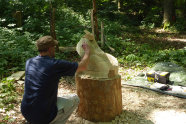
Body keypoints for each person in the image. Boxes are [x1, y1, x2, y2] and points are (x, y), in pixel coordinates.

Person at [21, 36, 90, 124]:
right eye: (54, 47)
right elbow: (82, 66)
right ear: (50, 49)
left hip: (26, 110)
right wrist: (87, 52)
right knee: (76, 99)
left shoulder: (30, 62)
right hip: (43, 115)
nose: (55, 49)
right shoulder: (54, 65)